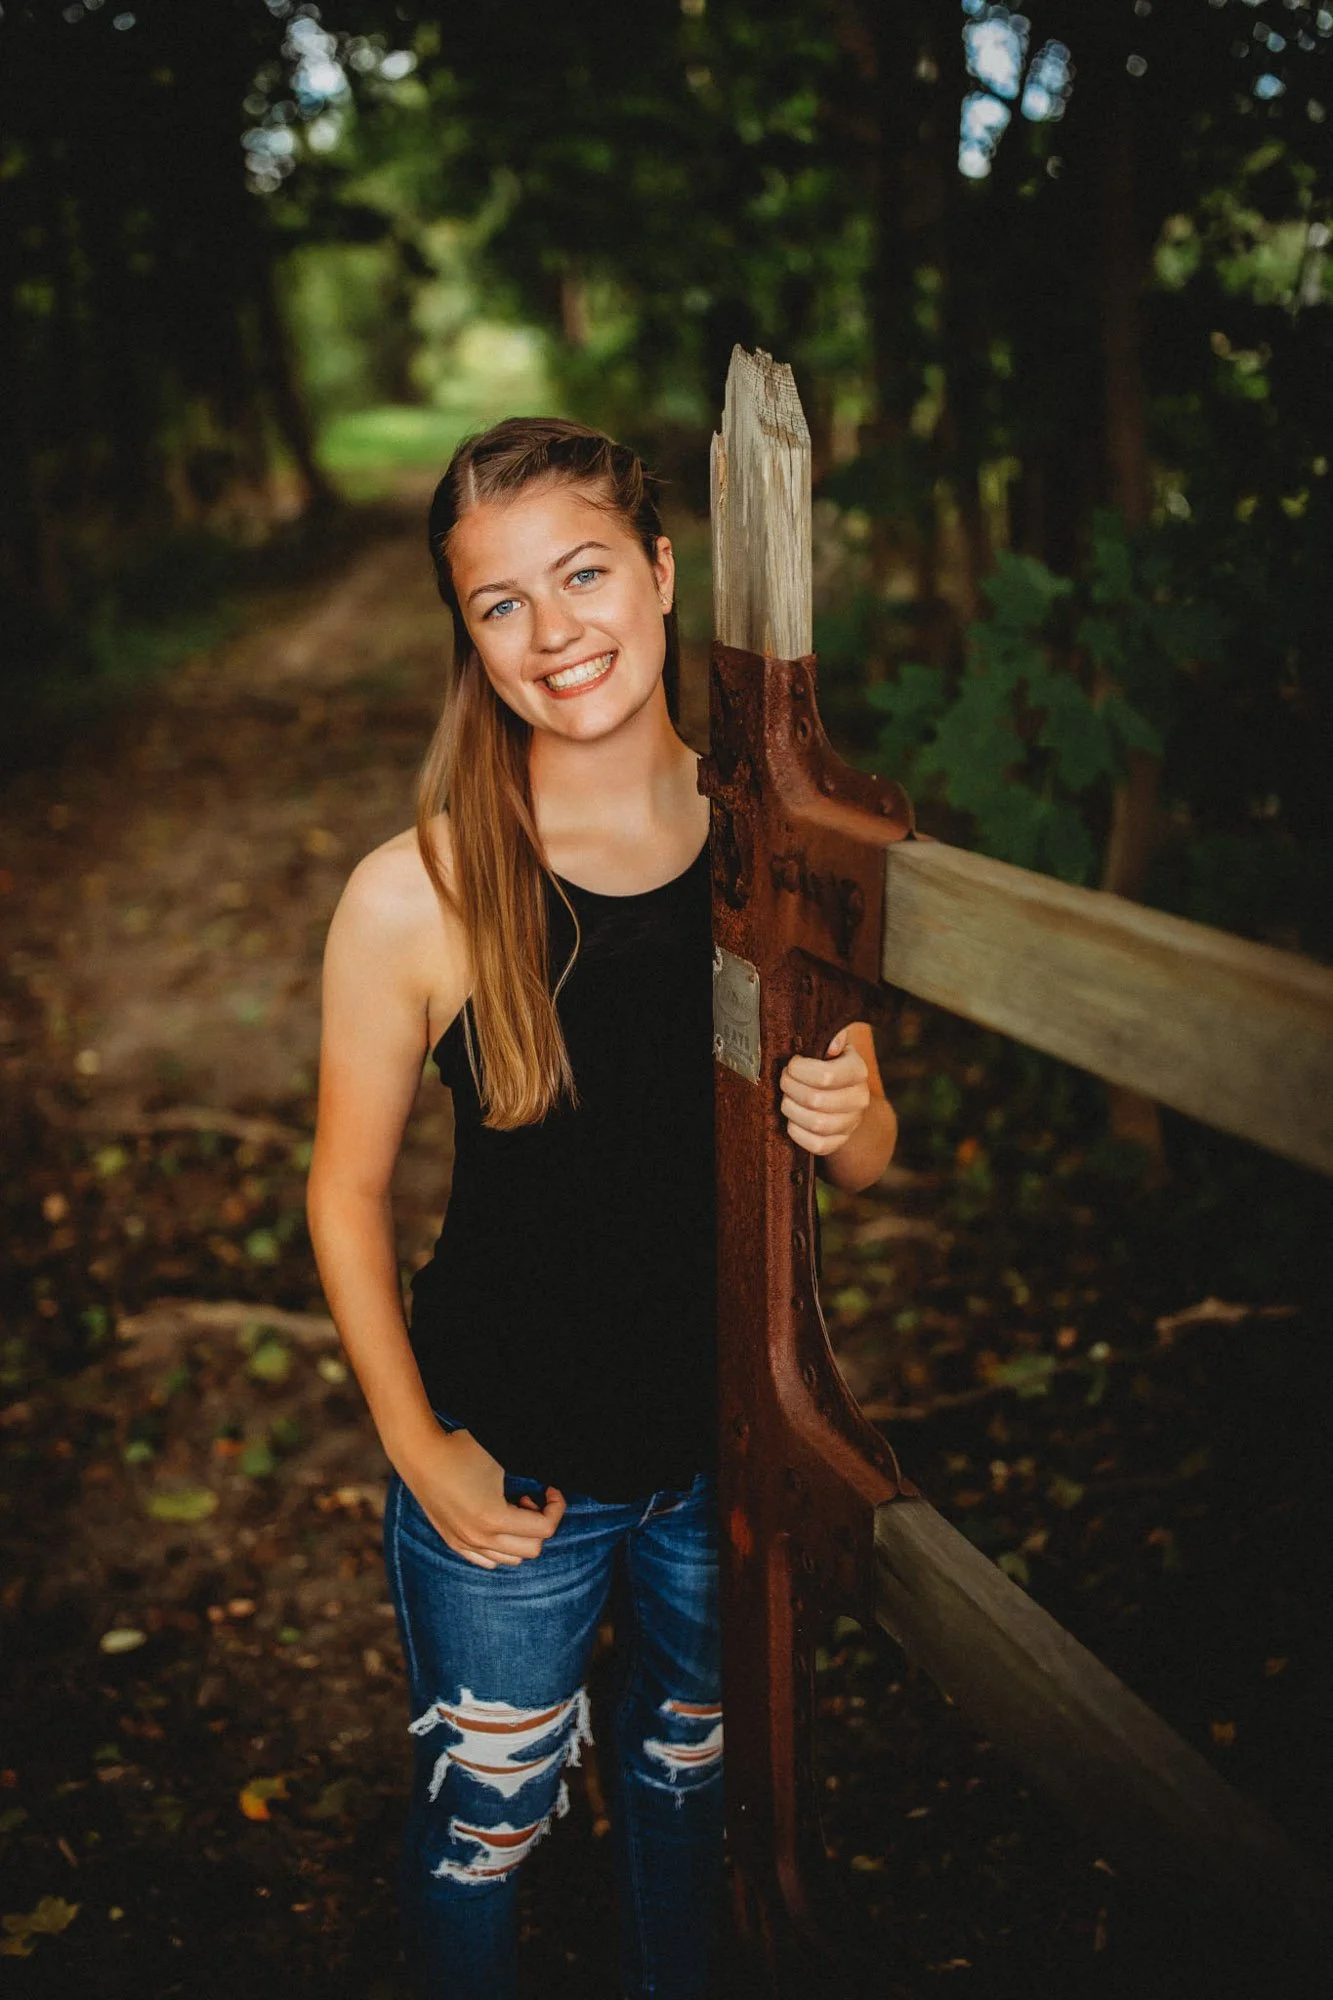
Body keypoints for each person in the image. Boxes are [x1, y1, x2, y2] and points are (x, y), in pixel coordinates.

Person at [305, 417, 899, 2000]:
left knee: (685, 1798)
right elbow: (344, 1196)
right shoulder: (419, 889)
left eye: (582, 574)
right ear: (468, 638)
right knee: (485, 1829)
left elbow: (862, 1146)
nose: (554, 630)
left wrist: (855, 1118)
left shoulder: (772, 857)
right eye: (500, 604)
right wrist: (421, 1448)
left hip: (719, 1455)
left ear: (658, 568)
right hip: (513, 1473)